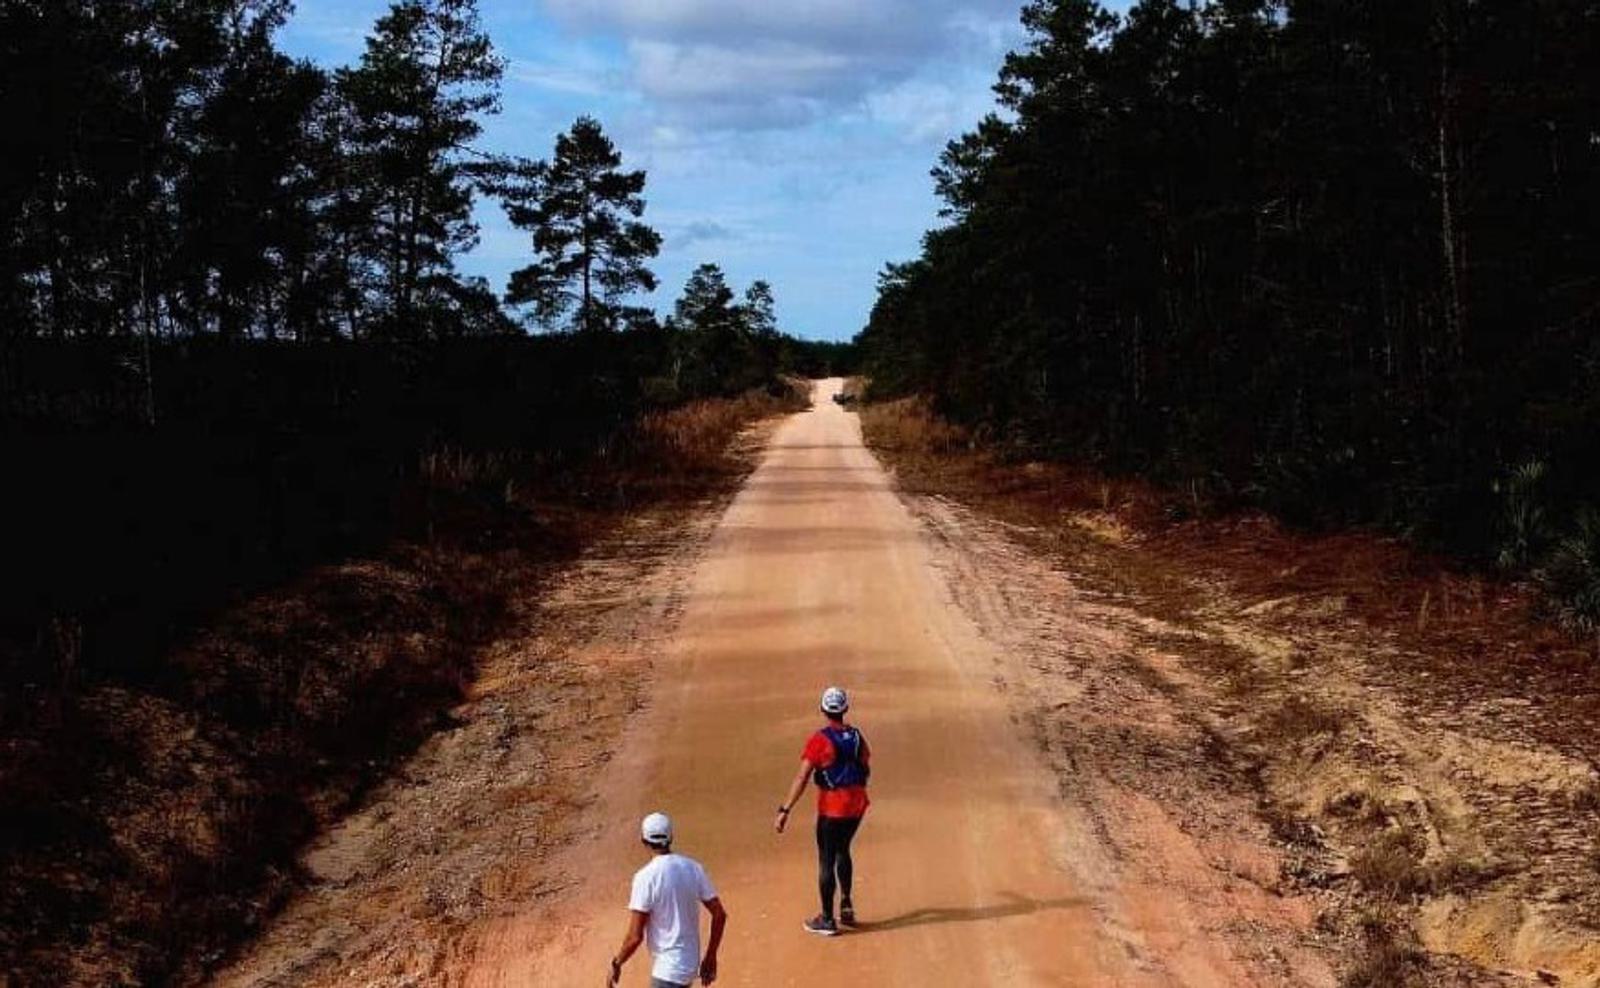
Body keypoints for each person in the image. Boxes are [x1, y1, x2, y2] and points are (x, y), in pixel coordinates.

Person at [773, 686, 870, 936]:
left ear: (823, 710)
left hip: (832, 810)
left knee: (826, 859)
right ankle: (846, 904)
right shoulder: (857, 736)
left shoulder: (820, 740)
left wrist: (785, 809)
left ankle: (827, 919)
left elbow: (802, 776)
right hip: (857, 806)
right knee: (843, 850)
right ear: (845, 709)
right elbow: (864, 765)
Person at [609, 812, 727, 987]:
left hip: (667, 972)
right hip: (688, 967)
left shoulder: (645, 877)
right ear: (671, 837)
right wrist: (710, 956)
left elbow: (635, 936)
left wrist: (616, 963)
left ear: (643, 840)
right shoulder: (693, 868)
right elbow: (719, 914)